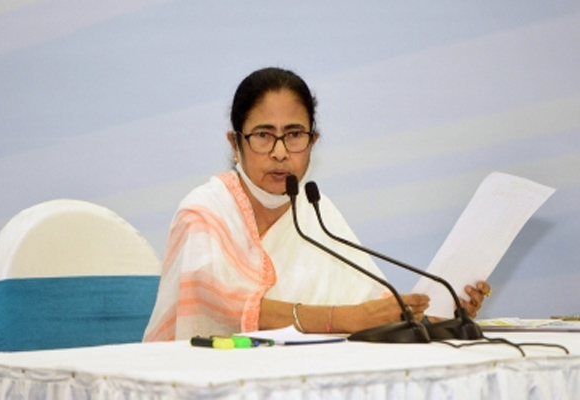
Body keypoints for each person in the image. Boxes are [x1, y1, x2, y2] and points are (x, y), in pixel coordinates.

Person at [143, 67, 491, 341]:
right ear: (235, 143)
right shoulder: (203, 212)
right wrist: (342, 319)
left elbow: (372, 309)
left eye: (294, 135)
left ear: (313, 141)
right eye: (264, 135)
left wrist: (443, 316)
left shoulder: (315, 212)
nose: (280, 152)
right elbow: (221, 308)